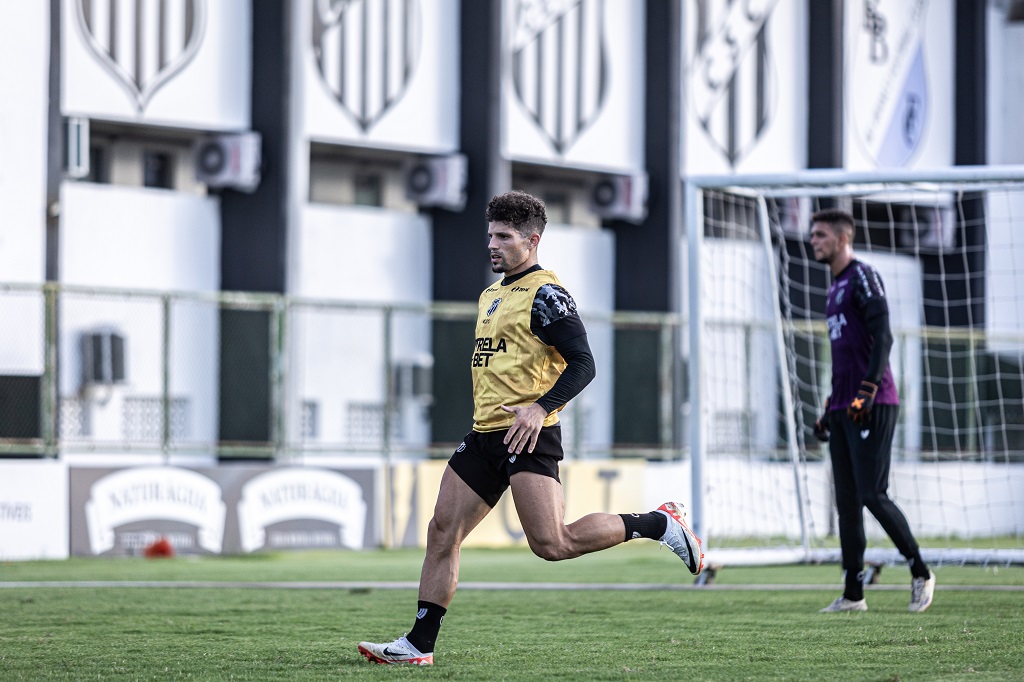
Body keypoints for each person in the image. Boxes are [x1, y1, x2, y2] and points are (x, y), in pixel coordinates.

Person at [358, 190, 704, 666]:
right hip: (484, 435)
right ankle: (419, 645)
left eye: (504, 237)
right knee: (441, 532)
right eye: (490, 235)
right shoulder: (493, 294)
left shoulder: (547, 294)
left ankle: (658, 523)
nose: (493, 245)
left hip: (529, 434)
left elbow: (584, 363)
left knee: (551, 544)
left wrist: (540, 408)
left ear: (532, 240)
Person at [809, 208, 935, 613]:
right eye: (813, 235)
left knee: (872, 494)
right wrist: (831, 405)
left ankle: (920, 571)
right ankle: (853, 594)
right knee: (846, 501)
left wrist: (867, 388)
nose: (814, 241)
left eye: (821, 235)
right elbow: (843, 356)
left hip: (874, 402)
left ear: (843, 239)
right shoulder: (832, 288)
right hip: (846, 405)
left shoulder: (863, 276)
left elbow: (883, 336)